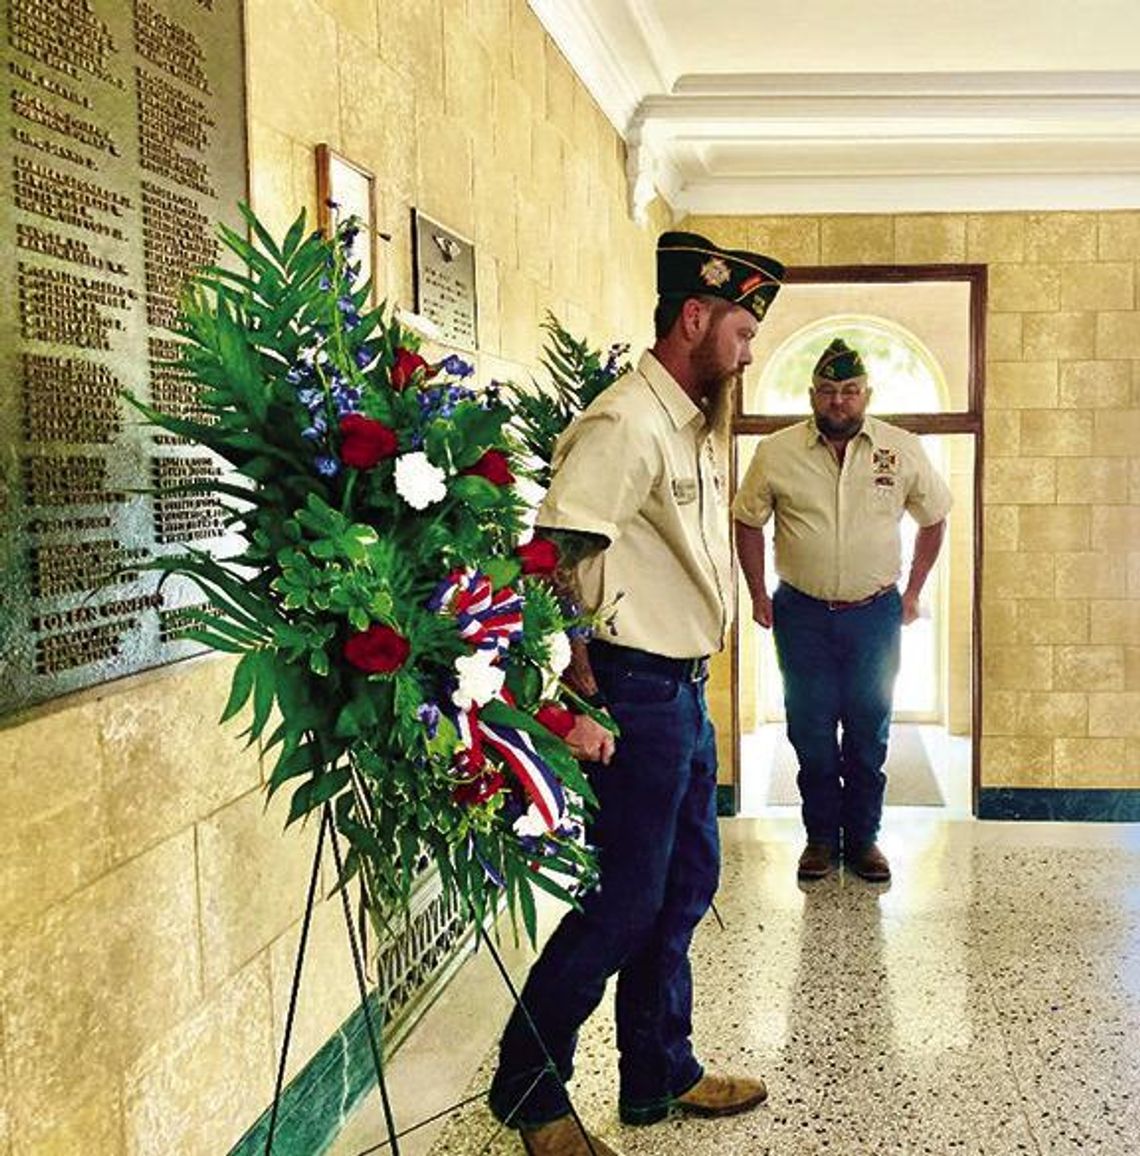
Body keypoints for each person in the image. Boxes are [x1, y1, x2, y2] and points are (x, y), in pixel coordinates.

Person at [487, 231, 785, 1156]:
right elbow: (552, 556)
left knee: (684, 882)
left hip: (680, 694)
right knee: (622, 900)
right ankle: (529, 1092)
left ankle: (659, 1073)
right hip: (630, 691)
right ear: (694, 316)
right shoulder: (627, 422)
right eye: (740, 331)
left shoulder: (690, 421)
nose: (746, 351)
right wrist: (575, 691)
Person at [733, 337, 951, 884]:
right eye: (828, 391)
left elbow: (934, 517)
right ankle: (820, 841)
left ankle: (866, 841)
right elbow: (747, 520)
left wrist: (913, 592)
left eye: (849, 391)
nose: (838, 401)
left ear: (866, 395)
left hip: (873, 616)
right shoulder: (777, 452)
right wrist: (758, 593)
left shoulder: (900, 449)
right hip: (801, 614)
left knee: (867, 734)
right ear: (812, 395)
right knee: (809, 732)